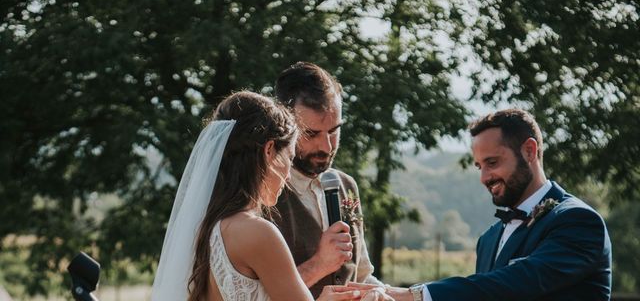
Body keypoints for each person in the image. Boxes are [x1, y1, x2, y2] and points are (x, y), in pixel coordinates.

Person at [151, 90, 378, 301]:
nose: (288, 176)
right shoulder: (258, 232)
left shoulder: (205, 226)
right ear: (269, 150)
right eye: (288, 159)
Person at [385, 108, 612, 301]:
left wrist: (415, 295)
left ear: (529, 151)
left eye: (492, 162)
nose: (484, 177)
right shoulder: (488, 239)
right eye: (479, 166)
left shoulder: (579, 221)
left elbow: (515, 283)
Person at [273, 62, 388, 299]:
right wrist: (318, 265)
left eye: (334, 131)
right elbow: (250, 294)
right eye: (311, 134)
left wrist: (378, 292)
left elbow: (362, 275)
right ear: (284, 125)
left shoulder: (347, 186)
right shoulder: (260, 192)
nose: (326, 147)